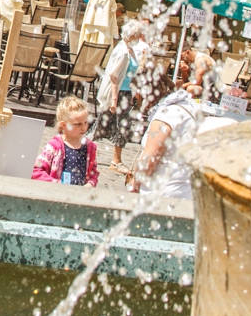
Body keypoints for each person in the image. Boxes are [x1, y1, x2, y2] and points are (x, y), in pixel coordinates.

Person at [129, 84, 205, 198]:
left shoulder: (165, 115)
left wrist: (135, 182)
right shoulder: (187, 107)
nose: (134, 96)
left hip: (160, 193)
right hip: (184, 192)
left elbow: (149, 160)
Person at [96, 20, 149, 172]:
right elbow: (114, 75)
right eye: (138, 36)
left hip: (125, 92)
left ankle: (111, 159)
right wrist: (114, 99)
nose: (139, 39)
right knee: (121, 127)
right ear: (132, 35)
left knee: (108, 126)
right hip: (120, 94)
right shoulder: (125, 52)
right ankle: (116, 161)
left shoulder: (126, 48)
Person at [32, 96, 99, 186]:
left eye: (86, 122)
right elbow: (36, 171)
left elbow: (93, 172)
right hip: (57, 195)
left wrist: (90, 183)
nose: (84, 127)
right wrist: (55, 183)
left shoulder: (90, 147)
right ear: (63, 125)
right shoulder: (54, 146)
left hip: (79, 196)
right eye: (78, 124)